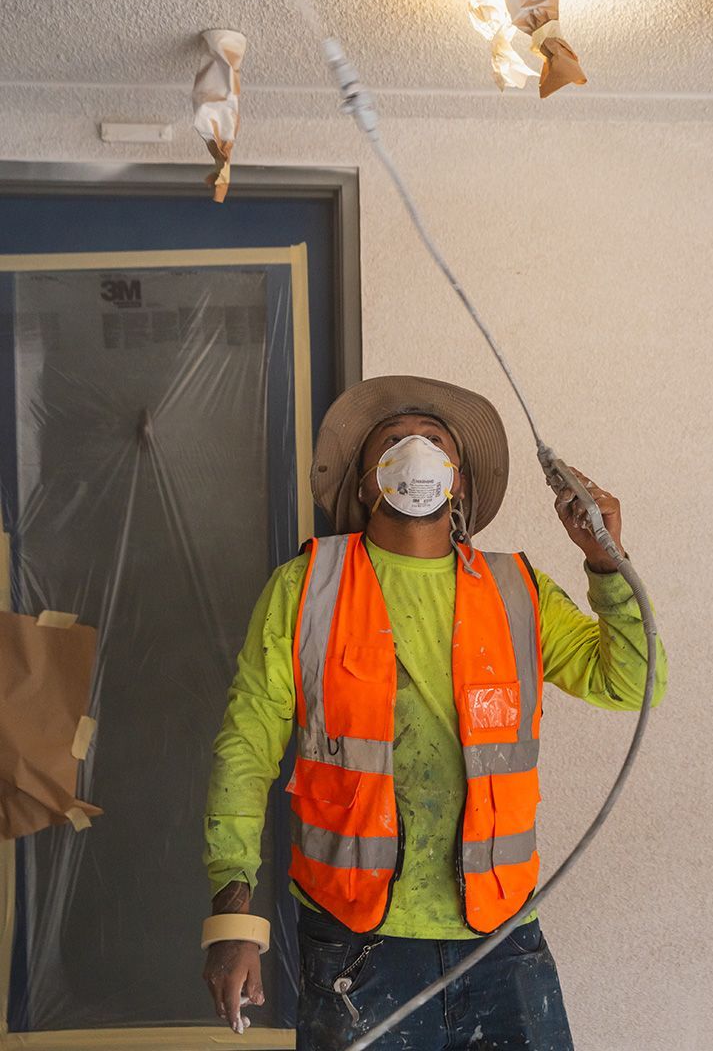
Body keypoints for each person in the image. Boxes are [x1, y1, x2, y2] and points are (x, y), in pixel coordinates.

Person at [201, 375, 667, 1050]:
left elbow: (634, 683)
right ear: (364, 485)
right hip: (357, 951)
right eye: (392, 441)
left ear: (457, 481)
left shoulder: (518, 590)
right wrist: (233, 920)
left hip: (502, 940)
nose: (415, 449)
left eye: (434, 441)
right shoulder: (308, 588)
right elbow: (244, 750)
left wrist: (605, 558)